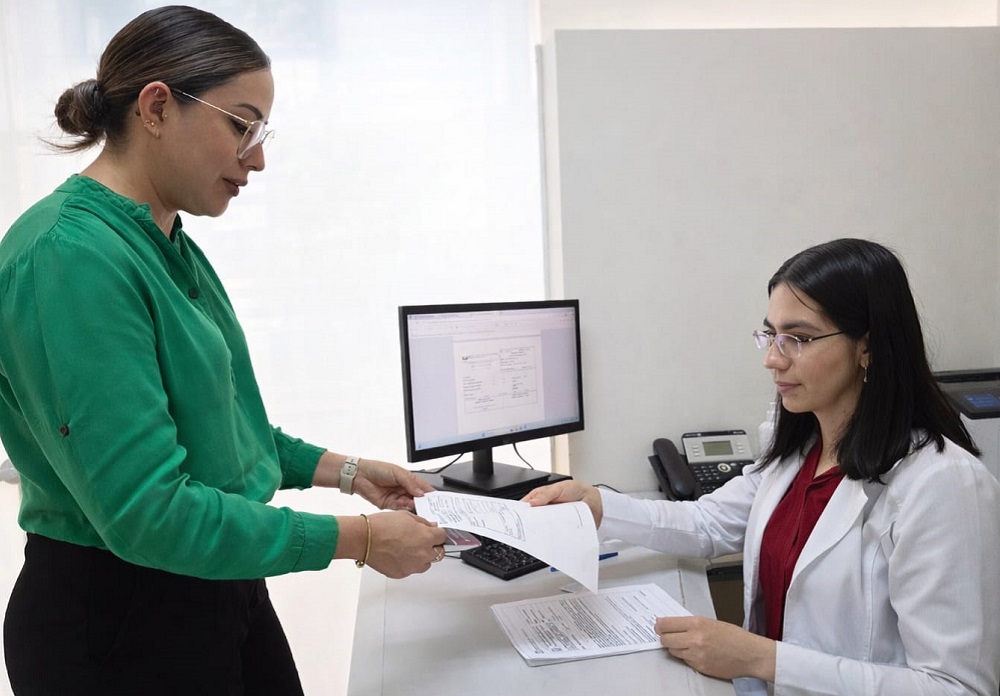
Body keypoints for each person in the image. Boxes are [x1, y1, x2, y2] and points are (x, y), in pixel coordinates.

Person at [0, 6, 447, 695]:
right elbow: (149, 512)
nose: (257, 158)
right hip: (118, 620)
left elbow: (224, 431)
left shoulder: (166, 242)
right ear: (156, 107)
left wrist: (349, 471)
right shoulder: (70, 257)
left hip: (212, 583)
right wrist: (358, 539)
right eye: (241, 126)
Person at [525, 238, 1000, 696]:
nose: (773, 359)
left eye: (799, 338)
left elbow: (956, 687)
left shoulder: (942, 485)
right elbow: (709, 522)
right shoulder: (802, 448)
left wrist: (762, 659)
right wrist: (597, 504)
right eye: (771, 335)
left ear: (867, 348)